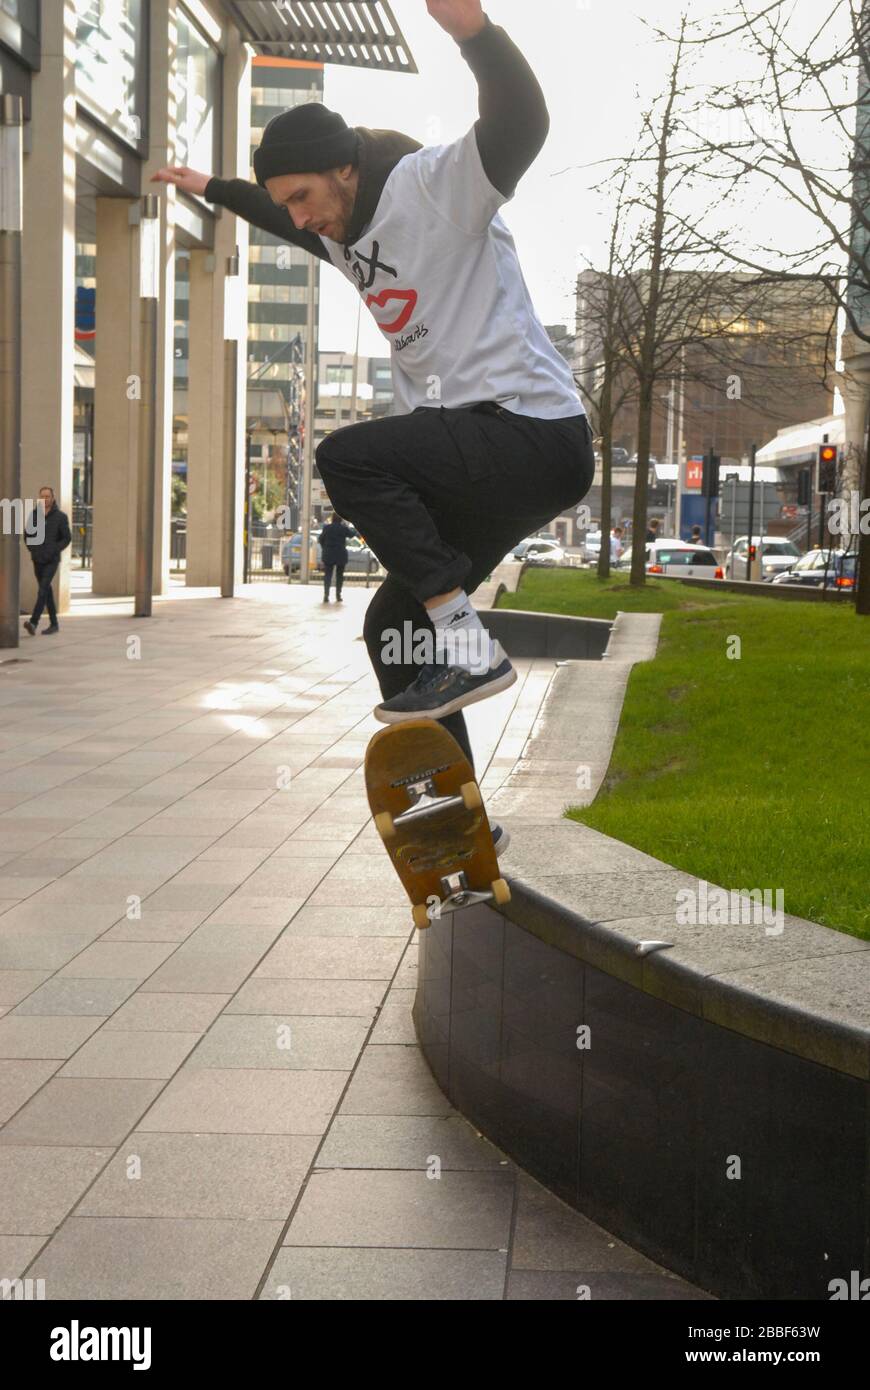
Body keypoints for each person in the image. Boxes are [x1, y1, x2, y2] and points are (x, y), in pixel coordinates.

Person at [151, 0, 594, 785]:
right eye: (290, 204)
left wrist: (475, 35)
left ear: (345, 167)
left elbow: (521, 124)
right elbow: (273, 215)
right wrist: (211, 185)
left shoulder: (434, 186)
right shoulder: (333, 230)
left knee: (346, 456)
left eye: (305, 196)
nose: (300, 217)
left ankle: (465, 641)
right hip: (479, 458)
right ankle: (455, 815)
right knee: (392, 621)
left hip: (530, 433)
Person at [23, 486, 70, 636]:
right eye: (42, 496)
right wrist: (34, 550)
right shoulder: (34, 515)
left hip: (52, 560)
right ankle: (54, 624)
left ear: (52, 498)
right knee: (47, 591)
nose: (44, 499)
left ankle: (33, 622)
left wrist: (55, 549)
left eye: (47, 496)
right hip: (38, 559)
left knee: (42, 589)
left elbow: (66, 538)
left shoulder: (61, 517)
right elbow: (27, 536)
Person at [319, 512, 355, 602]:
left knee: (327, 575)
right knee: (340, 576)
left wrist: (325, 548)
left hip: (329, 554)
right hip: (340, 555)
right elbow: (352, 534)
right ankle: (338, 595)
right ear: (341, 519)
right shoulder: (343, 528)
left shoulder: (327, 528)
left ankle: (326, 595)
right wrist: (347, 525)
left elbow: (320, 539)